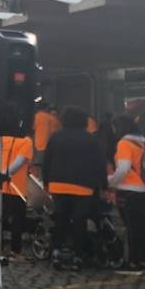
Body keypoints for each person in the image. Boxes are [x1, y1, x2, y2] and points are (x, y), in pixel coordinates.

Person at [41, 106, 106, 272]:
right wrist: (103, 185)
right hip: (83, 186)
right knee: (80, 222)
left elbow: (47, 161)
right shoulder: (90, 139)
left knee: (61, 219)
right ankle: (78, 255)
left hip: (58, 184)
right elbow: (99, 164)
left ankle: (56, 251)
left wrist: (46, 182)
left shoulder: (56, 137)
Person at [108, 114, 145, 275]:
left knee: (132, 228)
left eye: (114, 127)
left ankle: (134, 263)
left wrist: (111, 182)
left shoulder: (124, 143)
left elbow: (124, 168)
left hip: (129, 190)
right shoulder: (142, 141)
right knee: (142, 227)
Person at [0, 132, 34, 259]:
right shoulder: (26, 141)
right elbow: (19, 162)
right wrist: (4, 175)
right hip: (17, 187)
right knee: (17, 220)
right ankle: (16, 250)